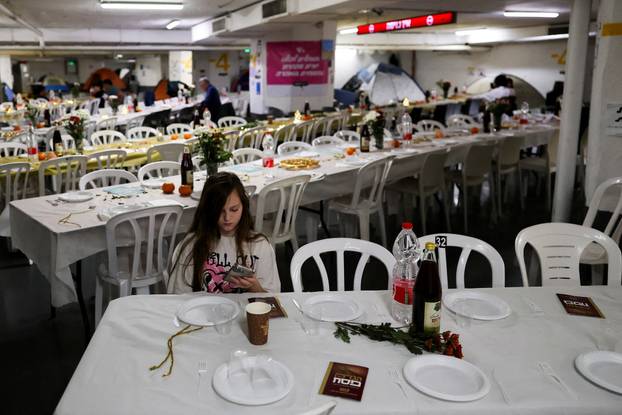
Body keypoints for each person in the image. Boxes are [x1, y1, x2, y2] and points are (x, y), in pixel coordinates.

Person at [167, 172, 280, 294]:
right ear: (208, 210)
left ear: (244, 206)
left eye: (234, 209)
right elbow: (178, 298)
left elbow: (273, 300)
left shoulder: (259, 245)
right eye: (220, 211)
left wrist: (254, 286)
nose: (227, 218)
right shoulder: (191, 246)